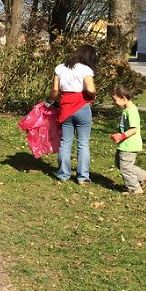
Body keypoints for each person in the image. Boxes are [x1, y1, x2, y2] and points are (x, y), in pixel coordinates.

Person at [50, 44, 97, 185]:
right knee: (83, 143)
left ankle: (63, 174)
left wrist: (50, 100)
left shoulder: (60, 68)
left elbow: (55, 90)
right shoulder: (86, 69)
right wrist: (93, 95)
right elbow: (91, 89)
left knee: (65, 142)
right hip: (82, 107)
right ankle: (83, 177)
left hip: (65, 108)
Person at [111, 84, 146, 194]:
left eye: (115, 100)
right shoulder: (127, 109)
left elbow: (134, 129)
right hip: (125, 144)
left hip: (130, 145)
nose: (113, 102)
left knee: (125, 168)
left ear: (124, 98)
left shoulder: (131, 111)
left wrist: (121, 136)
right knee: (120, 164)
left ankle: (134, 189)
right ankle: (143, 176)